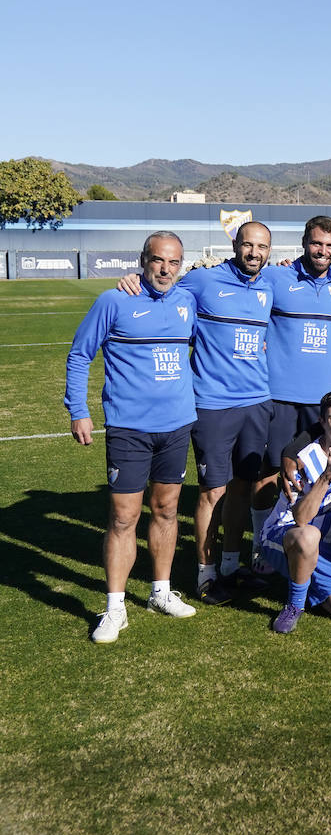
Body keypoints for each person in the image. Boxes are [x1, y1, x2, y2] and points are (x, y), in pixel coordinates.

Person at [113, 221, 275, 604]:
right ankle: (205, 574)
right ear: (235, 245)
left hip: (257, 400)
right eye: (248, 245)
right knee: (213, 491)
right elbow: (162, 289)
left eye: (262, 247)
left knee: (241, 488)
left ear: (270, 251)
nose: (254, 252)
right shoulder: (203, 282)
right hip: (212, 404)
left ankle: (233, 566)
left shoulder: (270, 284)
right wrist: (133, 279)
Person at [66, 231, 199, 643]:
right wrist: (79, 410)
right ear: (144, 260)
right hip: (129, 428)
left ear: (182, 265)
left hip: (178, 424)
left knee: (167, 509)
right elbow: (79, 354)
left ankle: (160, 591)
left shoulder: (187, 301)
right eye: (159, 260)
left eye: (174, 262)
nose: (166, 269)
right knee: (124, 517)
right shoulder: (114, 300)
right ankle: (114, 607)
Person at [252, 216, 331, 552]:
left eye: (330, 245)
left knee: (313, 473)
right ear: (304, 242)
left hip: (320, 404)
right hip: (278, 396)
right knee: (269, 474)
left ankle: (302, 540)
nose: (323, 251)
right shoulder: (277, 276)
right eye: (317, 243)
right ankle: (260, 546)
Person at [259, 391, 331, 634]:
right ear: (322, 422)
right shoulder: (302, 460)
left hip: (329, 545)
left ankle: (303, 575)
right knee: (308, 534)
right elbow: (300, 519)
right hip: (284, 536)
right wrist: (325, 478)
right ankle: (294, 606)